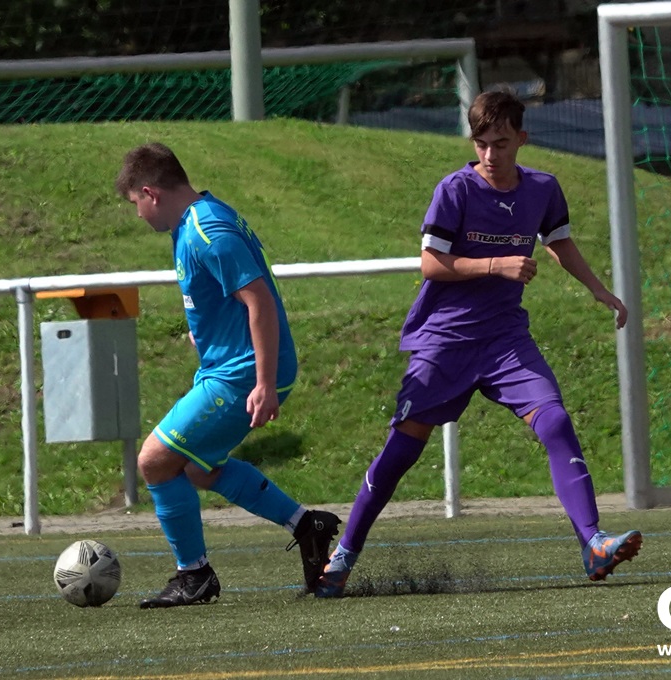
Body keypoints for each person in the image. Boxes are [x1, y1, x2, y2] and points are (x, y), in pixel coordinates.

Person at [315, 90, 642, 598]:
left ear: (522, 139)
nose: (490, 154)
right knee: (401, 451)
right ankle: (343, 556)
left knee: (555, 421)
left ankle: (593, 543)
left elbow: (557, 240)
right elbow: (431, 264)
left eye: (501, 143)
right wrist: (497, 264)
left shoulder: (542, 189)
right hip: (445, 340)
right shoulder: (455, 190)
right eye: (482, 143)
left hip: (505, 338)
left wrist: (598, 289)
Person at [115, 142, 340, 607]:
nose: (137, 213)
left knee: (154, 461)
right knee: (199, 468)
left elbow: (259, 301)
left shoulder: (208, 229)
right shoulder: (194, 222)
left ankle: (194, 575)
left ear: (151, 193)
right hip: (228, 366)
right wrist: (207, 335)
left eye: (135, 202)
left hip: (242, 373)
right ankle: (307, 525)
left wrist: (263, 382)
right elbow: (227, 299)